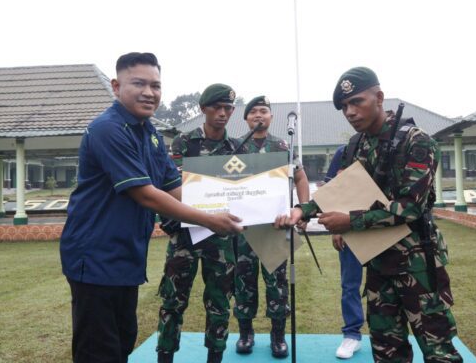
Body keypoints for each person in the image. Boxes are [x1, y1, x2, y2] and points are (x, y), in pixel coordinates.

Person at [60, 53, 242, 363]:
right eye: (139, 84)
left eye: (155, 86)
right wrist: (210, 220)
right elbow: (146, 195)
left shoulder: (150, 135)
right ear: (116, 86)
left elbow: (174, 187)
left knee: (122, 343)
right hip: (95, 257)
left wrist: (234, 207)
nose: (149, 92)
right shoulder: (108, 129)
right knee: (98, 350)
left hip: (126, 257)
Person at [275, 67, 463, 362]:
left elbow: (410, 207)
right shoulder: (356, 145)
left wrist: (350, 221)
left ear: (379, 97)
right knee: (387, 351)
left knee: (439, 353)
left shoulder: (416, 141)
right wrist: (303, 210)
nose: (350, 112)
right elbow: (339, 192)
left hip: (417, 265)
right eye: (344, 107)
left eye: (356, 102)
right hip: (378, 265)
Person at [156, 83, 245, 363]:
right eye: (217, 107)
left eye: (228, 108)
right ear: (203, 109)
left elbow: (243, 190)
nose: (223, 113)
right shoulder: (184, 142)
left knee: (219, 303)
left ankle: (215, 357)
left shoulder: (236, 148)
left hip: (220, 239)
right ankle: (165, 356)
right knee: (173, 300)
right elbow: (171, 184)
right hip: (185, 234)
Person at [233, 95, 310, 358]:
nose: (259, 115)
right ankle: (246, 334)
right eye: (253, 111)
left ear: (271, 117)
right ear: (246, 118)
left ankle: (278, 337)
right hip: (243, 230)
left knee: (277, 285)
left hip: (275, 228)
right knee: (243, 283)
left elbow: (301, 178)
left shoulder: (283, 146)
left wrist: (303, 209)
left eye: (264, 111)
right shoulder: (236, 147)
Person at [326, 145, 365, 359]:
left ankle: (392, 334)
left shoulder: (396, 147)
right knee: (350, 284)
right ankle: (352, 335)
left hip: (385, 226)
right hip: (349, 227)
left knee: (389, 285)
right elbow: (333, 189)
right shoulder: (346, 151)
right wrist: (337, 228)